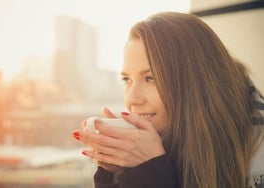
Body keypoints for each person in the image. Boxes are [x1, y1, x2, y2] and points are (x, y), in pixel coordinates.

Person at [72, 11, 264, 188]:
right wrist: (119, 173)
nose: (132, 99)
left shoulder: (257, 149)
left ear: (195, 81)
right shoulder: (163, 139)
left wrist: (152, 172)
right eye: (127, 80)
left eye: (150, 78)